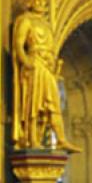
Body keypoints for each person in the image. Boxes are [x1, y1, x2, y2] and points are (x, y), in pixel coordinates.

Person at [12, 9, 80, 151]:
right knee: (33, 104)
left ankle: (61, 139)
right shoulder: (26, 20)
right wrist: (26, 61)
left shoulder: (46, 24)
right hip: (35, 65)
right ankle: (32, 139)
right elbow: (18, 44)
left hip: (46, 66)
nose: (40, 0)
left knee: (53, 103)